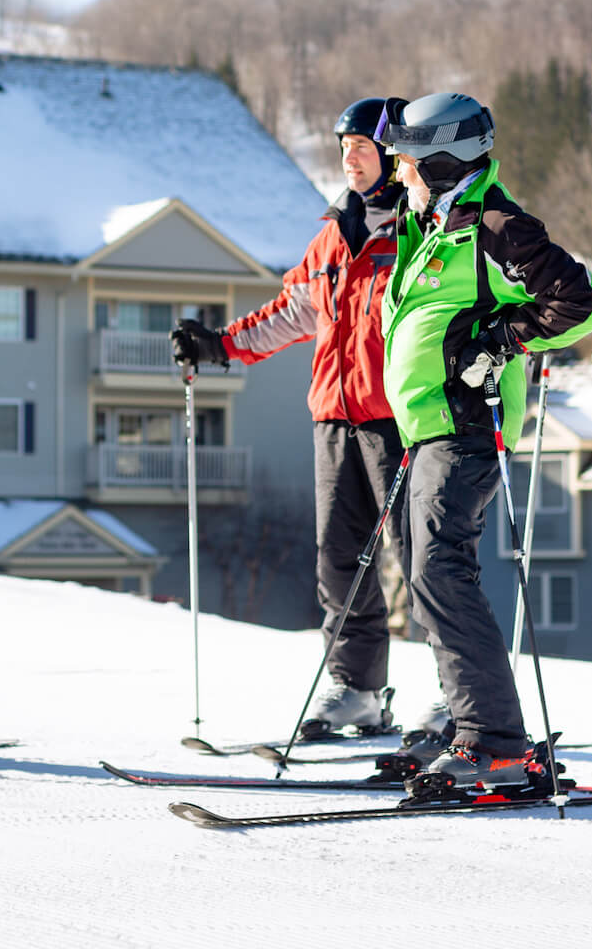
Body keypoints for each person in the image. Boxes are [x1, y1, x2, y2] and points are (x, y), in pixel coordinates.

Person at [371, 90, 592, 795]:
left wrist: (504, 339)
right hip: (425, 426)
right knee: (425, 574)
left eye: (407, 160)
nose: (399, 172)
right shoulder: (431, 228)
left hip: (464, 426)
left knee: (441, 571)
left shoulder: (499, 228)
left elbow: (579, 300)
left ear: (443, 161)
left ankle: (496, 742)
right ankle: (459, 723)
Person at [169, 97, 409, 739]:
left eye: (361, 146)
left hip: (400, 420)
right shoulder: (333, 236)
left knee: (424, 561)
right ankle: (359, 690)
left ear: (392, 153)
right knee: (338, 559)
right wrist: (219, 344)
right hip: (335, 416)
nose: (349, 159)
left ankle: (456, 697)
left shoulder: (418, 233)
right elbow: (293, 312)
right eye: (342, 148)